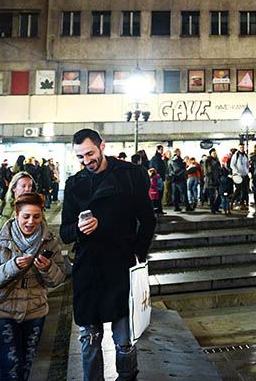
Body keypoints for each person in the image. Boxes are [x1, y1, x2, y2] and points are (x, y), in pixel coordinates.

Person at [60, 128, 156, 381]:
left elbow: (147, 219)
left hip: (120, 265)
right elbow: (65, 232)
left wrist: (138, 253)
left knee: (124, 339)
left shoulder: (130, 175)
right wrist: (80, 230)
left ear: (103, 146)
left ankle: (127, 378)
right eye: (80, 157)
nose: (86, 161)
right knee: (89, 338)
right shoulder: (74, 184)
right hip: (88, 269)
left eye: (90, 153)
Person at [0, 192, 66, 381]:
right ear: (16, 215)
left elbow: (58, 279)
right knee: (11, 370)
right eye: (26, 216)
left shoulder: (50, 242)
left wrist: (48, 268)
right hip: (2, 313)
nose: (31, 221)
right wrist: (12, 266)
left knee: (25, 367)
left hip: (35, 313)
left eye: (36, 216)